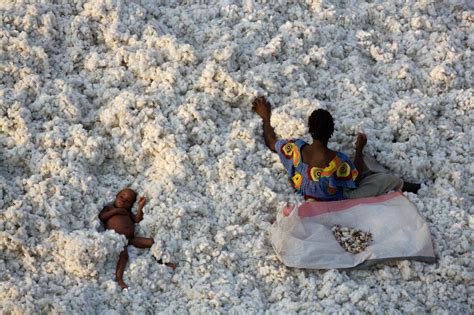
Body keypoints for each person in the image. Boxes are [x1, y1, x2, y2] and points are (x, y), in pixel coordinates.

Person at [252, 96, 420, 201]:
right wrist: (359, 150)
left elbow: (271, 142)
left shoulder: (294, 149)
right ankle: (409, 186)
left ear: (310, 129)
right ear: (331, 132)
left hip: (304, 191)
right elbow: (354, 180)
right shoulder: (337, 161)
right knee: (383, 179)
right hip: (334, 197)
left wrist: (266, 118)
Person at [99, 188, 176, 289]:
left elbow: (137, 219)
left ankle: (163, 261)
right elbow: (102, 217)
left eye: (127, 201)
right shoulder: (110, 208)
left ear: (131, 205)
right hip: (117, 238)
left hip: (131, 238)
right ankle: (119, 278)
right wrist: (116, 211)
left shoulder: (127, 212)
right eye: (121, 197)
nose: (123, 201)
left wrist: (141, 205)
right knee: (124, 255)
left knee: (151, 242)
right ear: (117, 195)